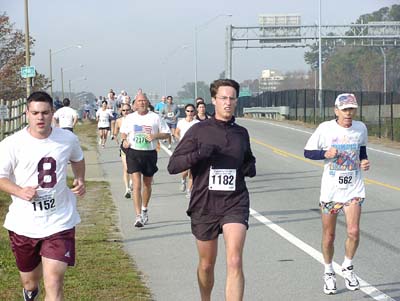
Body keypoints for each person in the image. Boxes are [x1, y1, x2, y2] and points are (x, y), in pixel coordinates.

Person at [168, 79, 256, 300]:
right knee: (207, 265)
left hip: (235, 202)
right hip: (205, 203)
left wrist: (249, 166)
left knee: (234, 260)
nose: (228, 102)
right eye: (223, 98)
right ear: (214, 101)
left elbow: (248, 160)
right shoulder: (198, 131)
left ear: (236, 101)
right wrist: (199, 154)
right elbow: (173, 166)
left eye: (232, 98)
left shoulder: (241, 133)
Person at [0, 91, 86, 301]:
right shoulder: (12, 144)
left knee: (54, 280)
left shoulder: (67, 139)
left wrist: (80, 179)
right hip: (25, 223)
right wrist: (20, 191)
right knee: (30, 280)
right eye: (35, 113)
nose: (40, 118)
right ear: (26, 113)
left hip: (59, 220)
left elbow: (78, 158)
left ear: (52, 114)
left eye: (45, 113)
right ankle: (30, 292)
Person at [304, 93, 370, 295]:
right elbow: (307, 152)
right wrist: (324, 154)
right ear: (336, 111)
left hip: (353, 188)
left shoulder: (360, 128)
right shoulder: (325, 128)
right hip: (331, 191)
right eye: (345, 109)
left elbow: (362, 151)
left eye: (352, 109)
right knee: (329, 236)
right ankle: (329, 271)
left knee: (353, 231)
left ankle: (348, 267)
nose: (349, 113)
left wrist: (365, 162)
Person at [120, 92, 170, 228]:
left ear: (148, 103)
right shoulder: (130, 118)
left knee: (147, 184)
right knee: (136, 185)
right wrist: (124, 140)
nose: (141, 103)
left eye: (144, 101)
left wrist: (155, 136)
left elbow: (166, 133)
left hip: (149, 153)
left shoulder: (156, 117)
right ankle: (138, 216)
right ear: (135, 104)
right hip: (133, 153)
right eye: (139, 101)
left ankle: (144, 209)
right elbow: (123, 132)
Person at [174, 103, 199, 198]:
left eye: (192, 111)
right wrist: (181, 139)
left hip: (194, 148)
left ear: (194, 112)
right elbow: (176, 133)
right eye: (188, 111)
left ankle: (189, 190)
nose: (190, 113)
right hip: (183, 148)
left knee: (192, 170)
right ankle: (183, 179)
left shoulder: (197, 123)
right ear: (185, 112)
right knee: (185, 170)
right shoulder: (181, 122)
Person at [113, 102, 133, 199]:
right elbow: (116, 132)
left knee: (134, 168)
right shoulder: (119, 121)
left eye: (127, 110)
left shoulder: (135, 119)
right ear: (121, 111)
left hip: (134, 146)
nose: (126, 112)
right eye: (124, 110)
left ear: (131, 110)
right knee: (126, 168)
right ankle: (127, 189)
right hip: (124, 147)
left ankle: (132, 181)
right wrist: (115, 136)